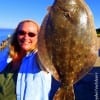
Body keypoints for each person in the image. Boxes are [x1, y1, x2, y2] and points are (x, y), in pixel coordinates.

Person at [0, 20, 60, 100]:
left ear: (39, 37)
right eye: (21, 33)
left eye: (31, 34)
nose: (26, 37)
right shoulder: (7, 58)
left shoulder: (39, 58)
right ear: (16, 35)